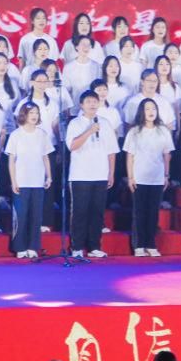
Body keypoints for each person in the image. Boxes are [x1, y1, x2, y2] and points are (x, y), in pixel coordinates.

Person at [68, 90, 119, 259]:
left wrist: (111, 173)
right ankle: (77, 247)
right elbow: (72, 146)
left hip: (100, 174)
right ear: (81, 105)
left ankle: (94, 246)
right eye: (88, 101)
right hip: (80, 175)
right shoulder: (75, 123)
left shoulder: (105, 123)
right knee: (80, 212)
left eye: (95, 101)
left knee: (97, 212)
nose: (92, 104)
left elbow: (111, 151)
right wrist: (89, 131)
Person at [125, 98, 173, 257]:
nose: (151, 112)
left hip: (157, 177)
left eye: (153, 108)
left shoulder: (163, 131)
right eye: (147, 109)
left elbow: (167, 155)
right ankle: (139, 245)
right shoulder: (134, 132)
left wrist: (166, 175)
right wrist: (130, 177)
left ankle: (151, 244)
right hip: (139, 177)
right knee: (139, 212)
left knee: (153, 212)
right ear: (141, 111)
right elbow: (130, 156)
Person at [7, 102, 55, 259]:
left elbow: (45, 156)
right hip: (21, 181)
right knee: (21, 216)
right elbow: (11, 160)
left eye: (36, 112)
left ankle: (33, 246)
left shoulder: (42, 134)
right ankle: (19, 247)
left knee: (36, 216)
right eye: (31, 113)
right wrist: (14, 181)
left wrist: (49, 176)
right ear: (24, 115)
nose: (34, 116)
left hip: (38, 181)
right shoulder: (16, 135)